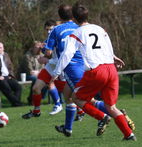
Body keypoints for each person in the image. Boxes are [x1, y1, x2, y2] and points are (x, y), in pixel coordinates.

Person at [50, 3, 136, 141]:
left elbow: (66, 54)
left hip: (97, 71)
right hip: (111, 69)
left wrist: (55, 72)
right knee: (111, 106)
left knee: (76, 98)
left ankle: (102, 117)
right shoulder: (99, 28)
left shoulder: (77, 33)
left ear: (75, 18)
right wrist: (114, 58)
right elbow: (108, 46)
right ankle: (129, 135)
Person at [22, 19, 65, 118]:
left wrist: (46, 60)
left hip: (61, 67)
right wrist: (41, 49)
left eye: (51, 29)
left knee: (72, 95)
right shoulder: (47, 40)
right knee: (36, 88)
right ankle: (37, 111)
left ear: (56, 28)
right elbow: (47, 54)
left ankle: (81, 111)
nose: (49, 32)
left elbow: (62, 59)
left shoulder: (62, 39)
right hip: (51, 66)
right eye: (47, 30)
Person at [0, 42, 22, 107]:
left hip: (8, 77)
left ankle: (15, 104)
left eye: (0, 47)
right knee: (7, 89)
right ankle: (18, 104)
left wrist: (10, 75)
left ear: (3, 48)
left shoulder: (6, 55)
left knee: (18, 87)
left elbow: (10, 67)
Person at [19, 41, 47, 105]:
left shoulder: (42, 55)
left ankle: (40, 98)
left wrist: (38, 72)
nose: (38, 49)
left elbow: (44, 69)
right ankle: (32, 99)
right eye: (36, 47)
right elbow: (30, 70)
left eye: (39, 47)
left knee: (46, 80)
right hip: (27, 75)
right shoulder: (27, 56)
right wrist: (39, 72)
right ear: (32, 48)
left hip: (38, 74)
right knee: (35, 79)